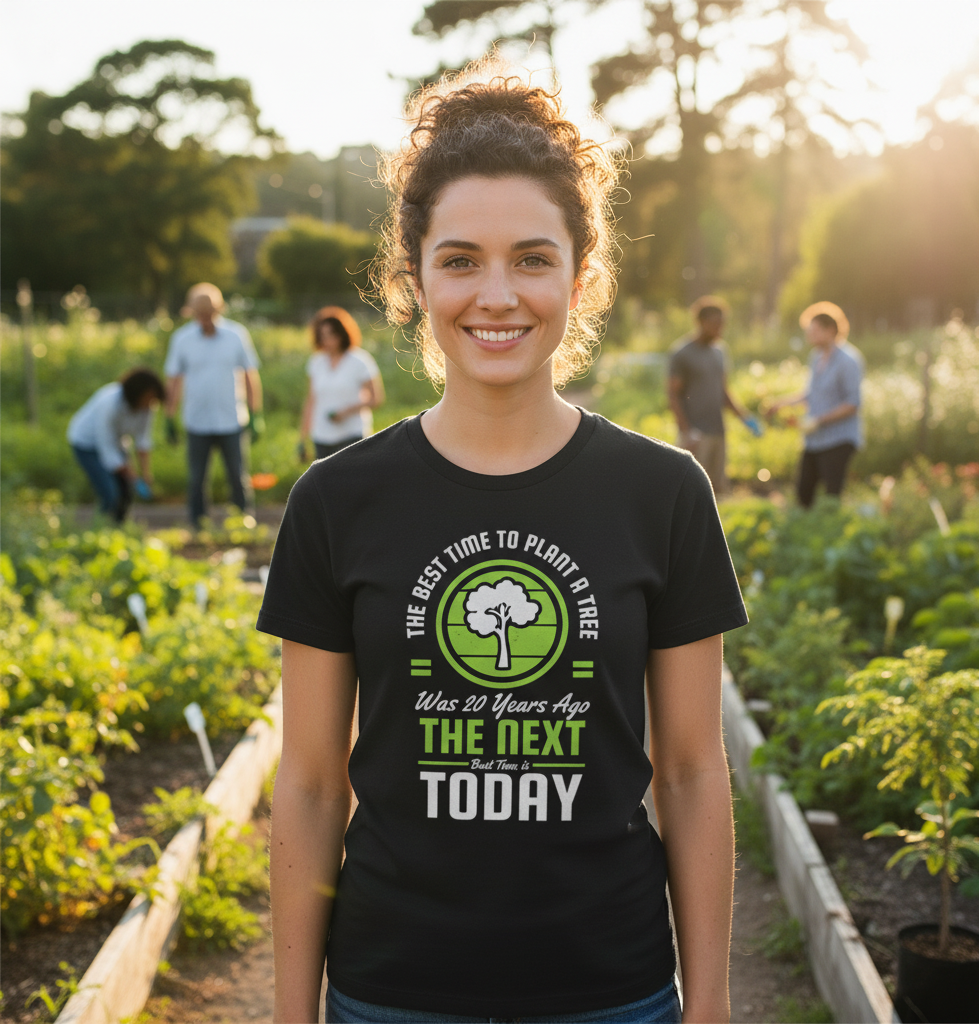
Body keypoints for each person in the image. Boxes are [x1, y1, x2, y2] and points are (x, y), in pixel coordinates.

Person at [258, 65, 747, 1024]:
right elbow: (312, 785)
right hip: (392, 991)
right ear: (414, 280)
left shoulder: (663, 494)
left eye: (532, 258)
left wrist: (713, 1001)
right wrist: (290, 1012)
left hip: (612, 990)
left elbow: (691, 770)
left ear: (581, 273)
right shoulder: (335, 502)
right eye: (460, 260)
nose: (497, 295)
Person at [163, 283, 264, 528]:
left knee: (237, 475)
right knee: (197, 478)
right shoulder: (182, 339)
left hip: (231, 418)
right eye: (200, 314)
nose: (205, 319)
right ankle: (198, 523)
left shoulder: (236, 335)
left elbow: (250, 375)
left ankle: (242, 519)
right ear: (193, 313)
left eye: (209, 314)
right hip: (196, 419)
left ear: (218, 310)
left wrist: (255, 413)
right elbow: (174, 380)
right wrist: (169, 416)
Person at [767, 301, 863, 508]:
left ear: (831, 330)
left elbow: (853, 403)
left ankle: (831, 534)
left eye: (815, 330)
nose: (810, 335)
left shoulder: (848, 360)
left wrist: (818, 420)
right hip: (815, 439)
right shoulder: (817, 356)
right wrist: (780, 403)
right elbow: (811, 394)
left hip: (839, 439)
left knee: (831, 495)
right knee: (803, 492)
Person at [667, 298, 760, 495]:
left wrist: (745, 419)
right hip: (696, 434)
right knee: (691, 490)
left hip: (718, 430)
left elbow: (723, 391)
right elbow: (673, 395)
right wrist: (686, 431)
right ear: (701, 322)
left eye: (723, 324)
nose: (720, 328)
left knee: (717, 489)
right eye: (716, 324)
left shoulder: (720, 351)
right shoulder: (682, 353)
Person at [67, 368, 164, 522]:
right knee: (110, 492)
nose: (150, 403)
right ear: (137, 392)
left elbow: (143, 441)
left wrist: (145, 475)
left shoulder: (147, 409)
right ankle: (100, 529)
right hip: (86, 444)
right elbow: (106, 447)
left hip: (116, 442)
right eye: (148, 397)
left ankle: (118, 528)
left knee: (126, 492)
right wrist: (131, 475)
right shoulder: (109, 403)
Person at [298, 306, 385, 462]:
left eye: (332, 335)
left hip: (352, 435)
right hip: (322, 436)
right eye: (323, 336)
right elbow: (311, 400)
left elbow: (376, 398)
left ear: (342, 334)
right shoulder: (316, 362)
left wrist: (347, 411)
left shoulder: (359, 360)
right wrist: (302, 437)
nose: (327, 341)